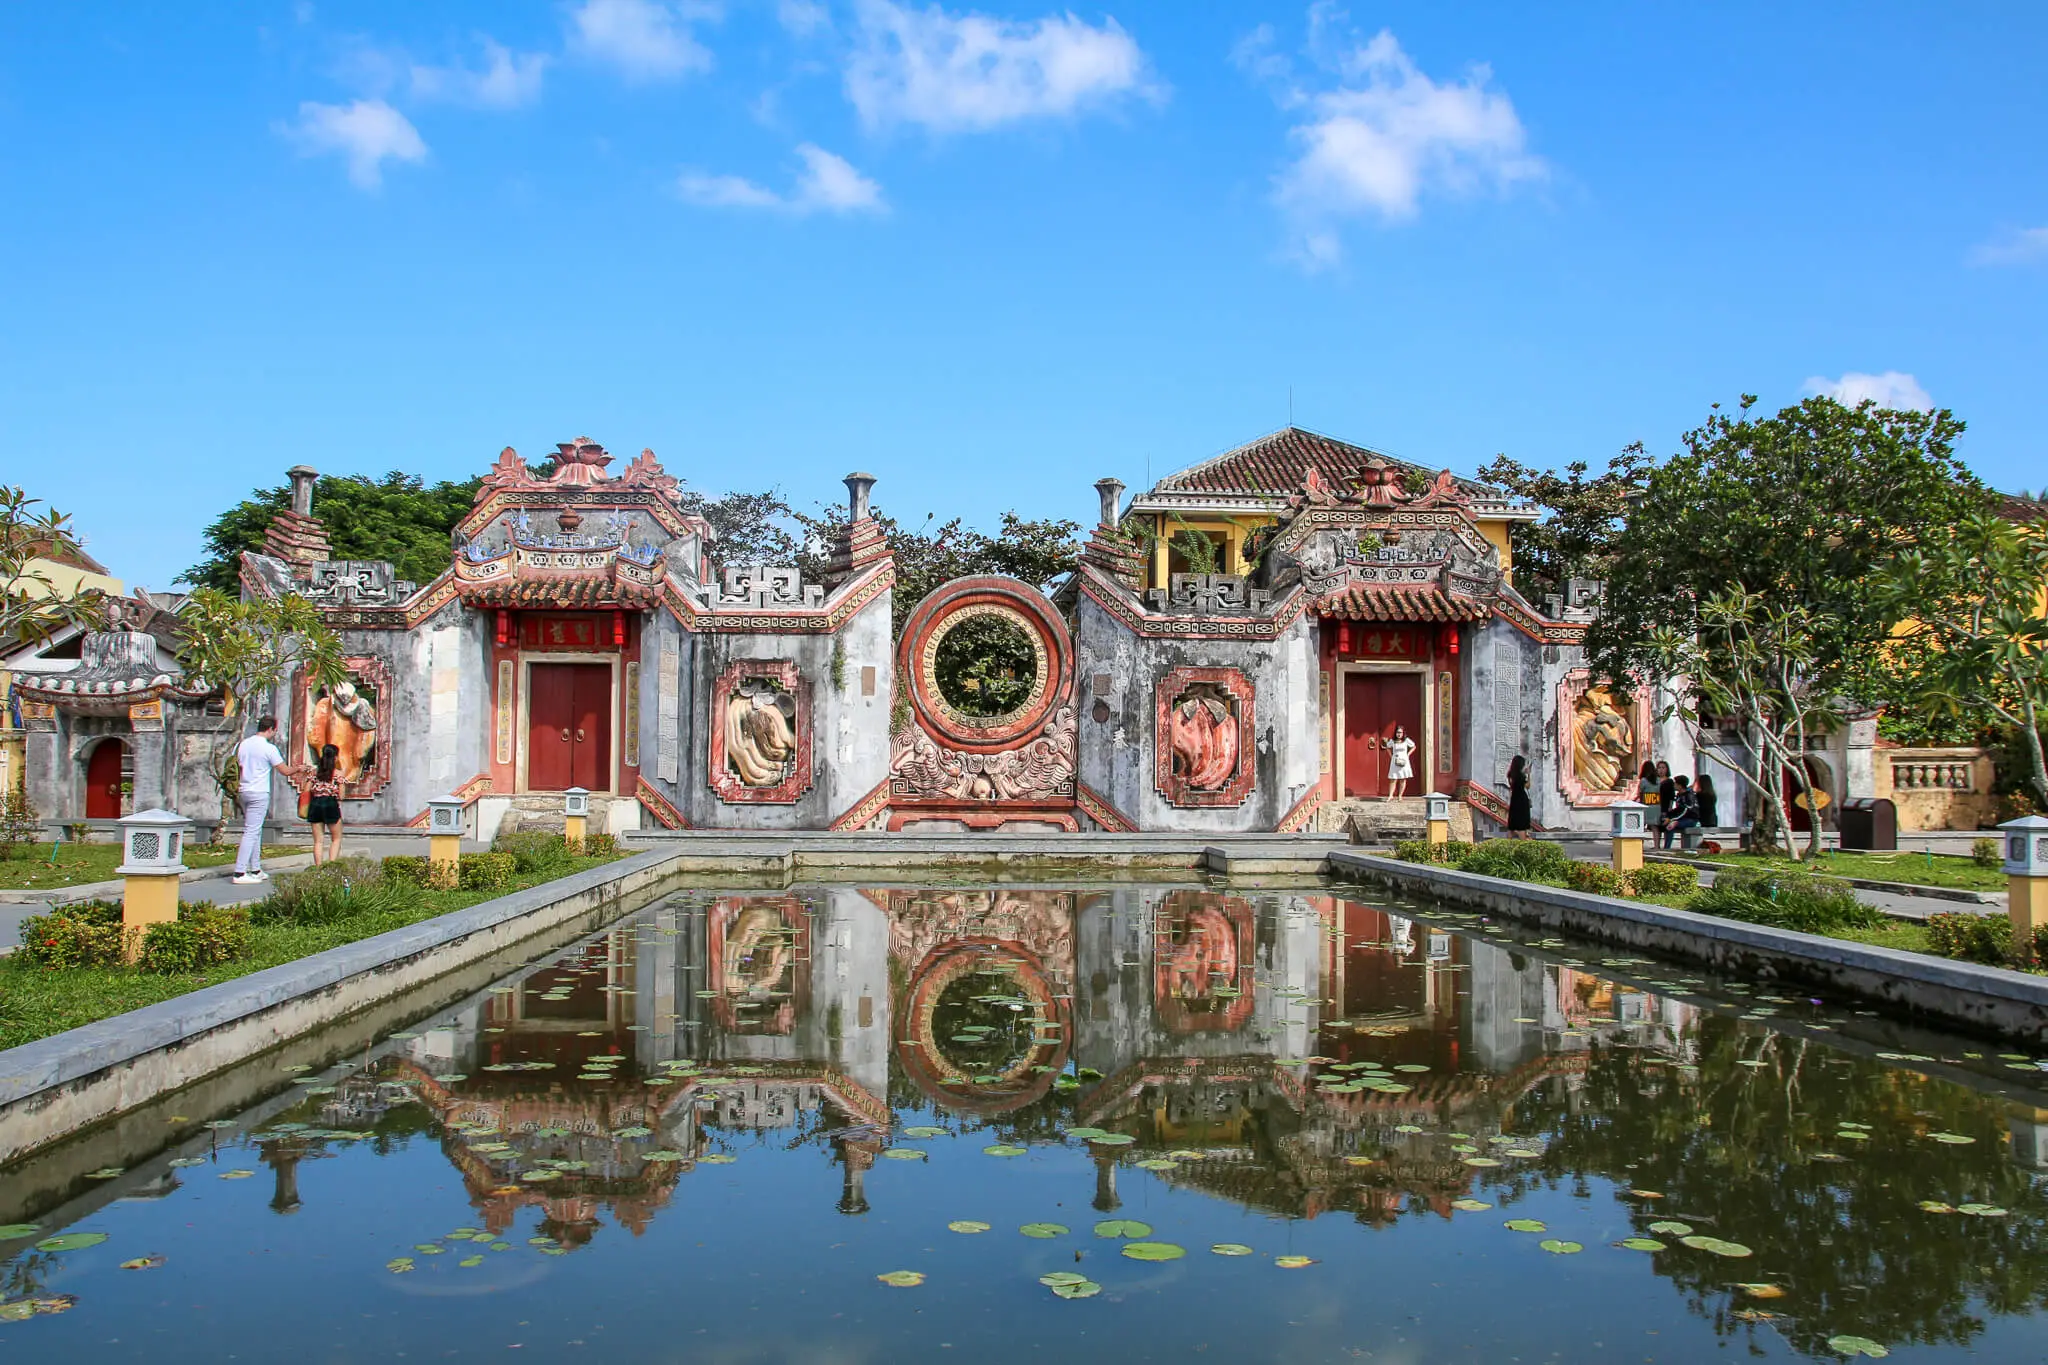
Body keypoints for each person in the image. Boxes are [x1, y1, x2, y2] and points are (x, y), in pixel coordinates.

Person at [233, 716, 292, 884]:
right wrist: (298, 769)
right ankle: (239, 871)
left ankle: (256, 868)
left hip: (244, 789)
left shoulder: (243, 744)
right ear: (271, 729)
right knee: (251, 831)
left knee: (255, 830)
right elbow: (284, 771)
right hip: (258, 792)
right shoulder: (269, 748)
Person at [292, 743, 346, 865]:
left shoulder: (314, 772)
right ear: (336, 757)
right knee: (336, 838)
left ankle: (318, 868)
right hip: (330, 804)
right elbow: (341, 796)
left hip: (315, 804)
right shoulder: (338, 774)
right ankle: (331, 866)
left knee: (318, 841)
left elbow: (306, 790)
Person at [1661, 775, 1701, 849]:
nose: (1674, 785)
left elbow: (1685, 810)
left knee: (1671, 825)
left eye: (1675, 784)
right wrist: (1668, 815)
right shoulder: (1679, 795)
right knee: (1668, 826)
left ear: (1680, 785)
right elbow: (1678, 809)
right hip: (1682, 818)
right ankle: (1667, 847)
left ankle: (1667, 848)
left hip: (1691, 820)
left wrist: (1673, 820)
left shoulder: (1688, 795)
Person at [1384, 724, 1417, 800]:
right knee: (1393, 778)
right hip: (1395, 760)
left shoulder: (1406, 740)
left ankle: (1400, 796)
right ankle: (1390, 795)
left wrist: (1408, 754)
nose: (1399, 734)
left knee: (1402, 778)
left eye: (1400, 732)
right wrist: (1391, 755)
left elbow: (1414, 746)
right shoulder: (1393, 741)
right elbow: (1387, 747)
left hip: (1404, 760)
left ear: (1403, 733)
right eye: (1397, 732)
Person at [1505, 754, 1532, 838]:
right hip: (1521, 800)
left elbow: (1512, 786)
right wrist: (1528, 774)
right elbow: (1527, 786)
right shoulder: (1521, 776)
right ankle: (1522, 840)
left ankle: (1508, 843)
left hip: (1514, 799)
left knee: (1512, 823)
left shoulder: (1511, 775)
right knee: (1522, 824)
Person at [1655, 760, 1675, 839]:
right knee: (1655, 826)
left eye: (1663, 768)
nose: (1661, 770)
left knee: (1665, 825)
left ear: (1667, 769)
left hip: (1665, 806)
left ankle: (1666, 846)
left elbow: (1672, 796)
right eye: (1659, 768)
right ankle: (1657, 845)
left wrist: (1670, 806)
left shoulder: (1670, 781)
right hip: (1655, 805)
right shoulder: (1654, 781)